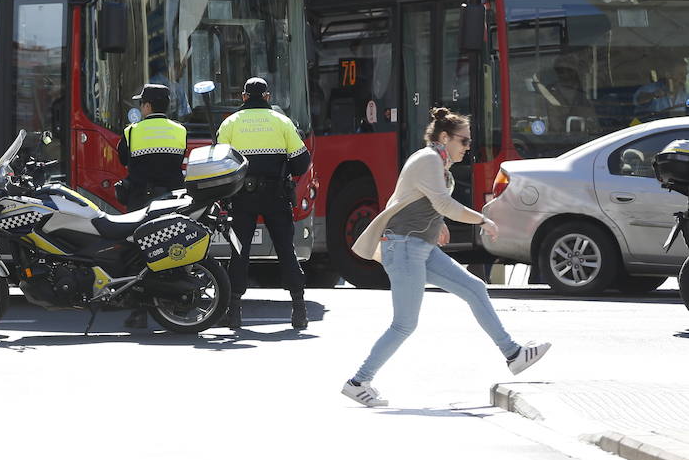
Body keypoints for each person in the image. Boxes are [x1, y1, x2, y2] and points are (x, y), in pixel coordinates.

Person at [341, 107, 551, 408]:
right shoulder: (428, 159)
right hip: (403, 248)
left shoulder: (437, 163)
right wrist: (482, 220)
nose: (468, 147)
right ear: (444, 137)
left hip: (418, 247)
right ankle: (359, 381)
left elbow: (418, 199)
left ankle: (513, 355)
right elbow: (443, 202)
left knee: (475, 288)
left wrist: (437, 225)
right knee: (404, 324)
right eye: (463, 141)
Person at [216, 77, 312, 330]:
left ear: (244, 97)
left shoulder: (230, 124)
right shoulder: (282, 122)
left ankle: (234, 311)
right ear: (267, 97)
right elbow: (302, 163)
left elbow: (218, 162)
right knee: (286, 250)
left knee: (239, 251)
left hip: (242, 198)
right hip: (276, 196)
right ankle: (299, 309)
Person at [117, 83, 188, 330]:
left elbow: (123, 159)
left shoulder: (132, 132)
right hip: (172, 199)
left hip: (141, 201)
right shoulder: (180, 130)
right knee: (170, 247)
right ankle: (175, 300)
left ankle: (139, 311)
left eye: (141, 103)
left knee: (140, 252)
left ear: (147, 106)